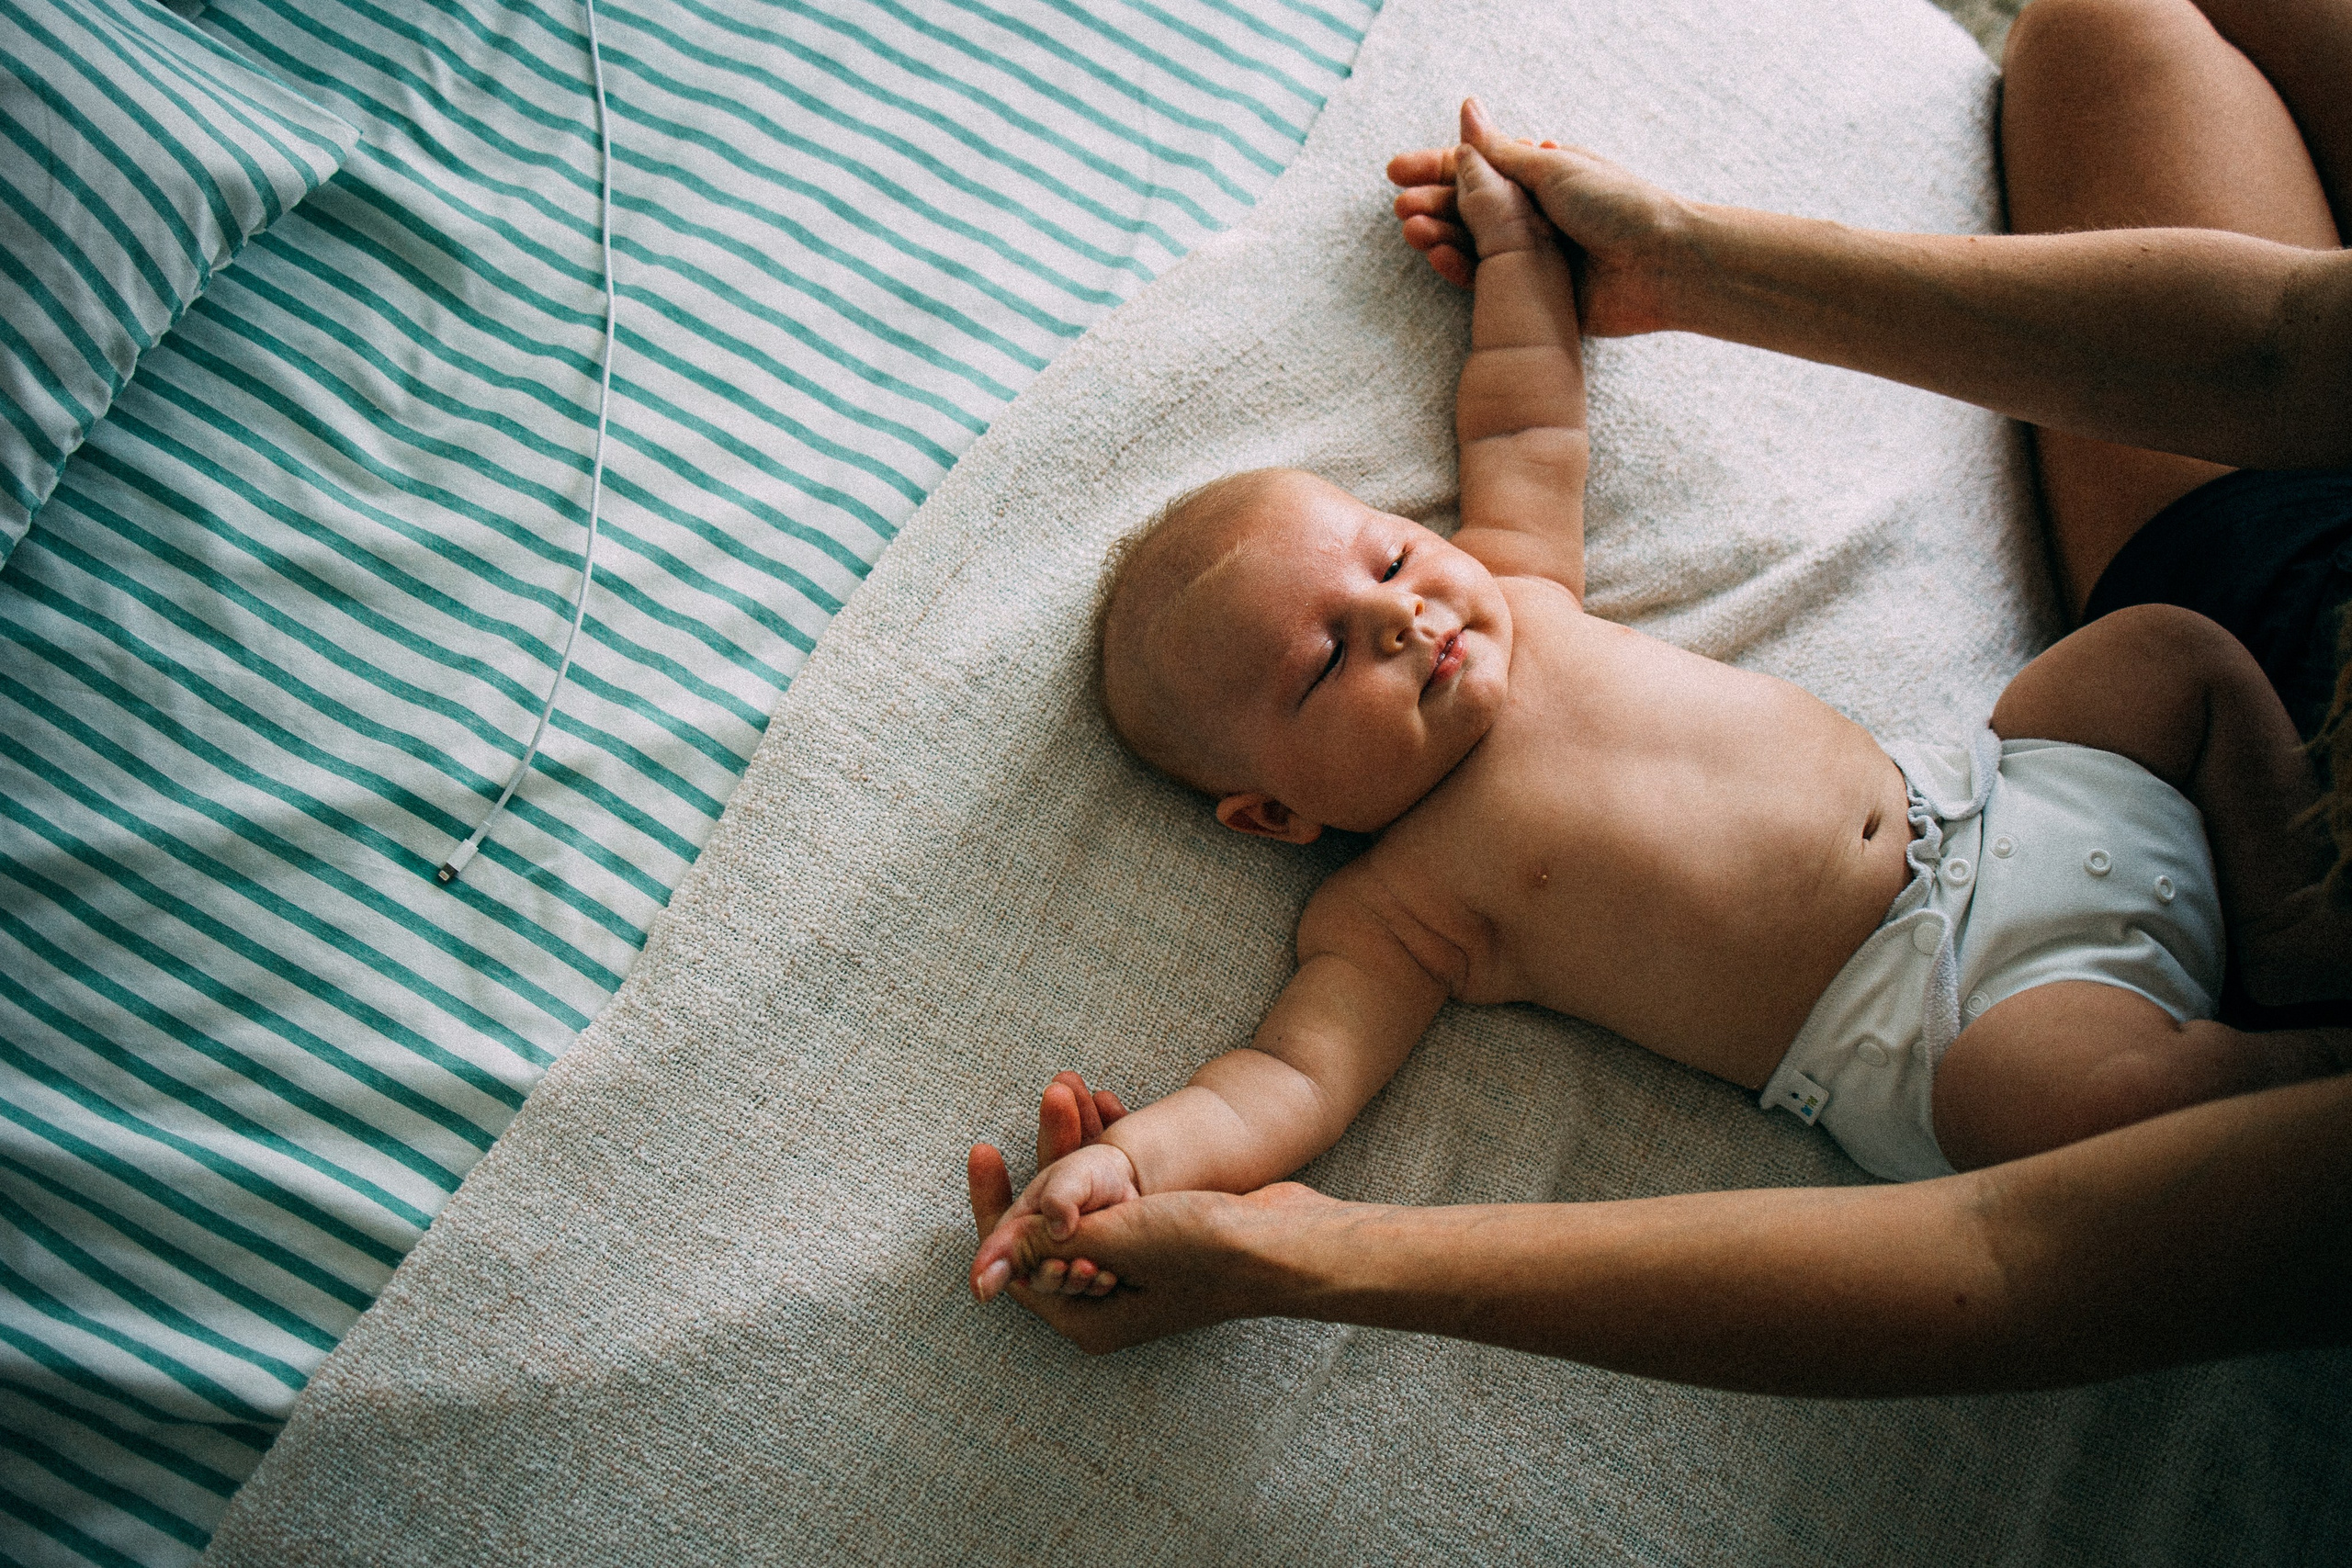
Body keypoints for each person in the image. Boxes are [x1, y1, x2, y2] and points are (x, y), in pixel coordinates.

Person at [966, 0, 2352, 1387]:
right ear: (1273, 813)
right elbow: (1287, 1081)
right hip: (1955, 1001)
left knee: (2160, 654)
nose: (1401, 613)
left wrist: (1521, 255)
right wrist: (1140, 1164)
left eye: (1390, 557)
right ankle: (2290, 1076)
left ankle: (2295, 927)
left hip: (2017, 794)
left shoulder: (1526, 590)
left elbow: (1524, 411)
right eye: (1326, 661)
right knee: (2061, 1107)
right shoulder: (1400, 912)